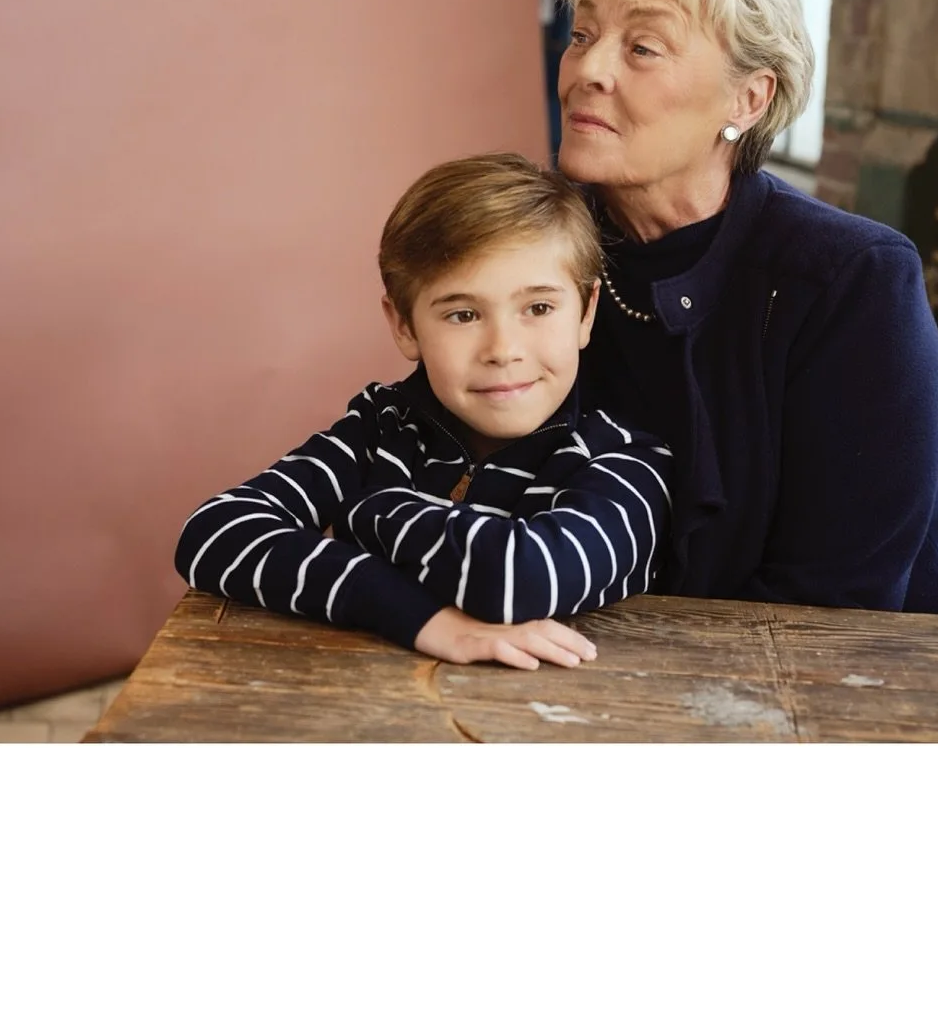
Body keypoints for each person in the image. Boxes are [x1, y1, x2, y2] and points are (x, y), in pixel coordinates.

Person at [556, 0, 938, 614]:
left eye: (642, 48)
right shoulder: (538, 249)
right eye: (581, 33)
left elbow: (835, 601)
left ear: (748, 99)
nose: (586, 69)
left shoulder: (851, 281)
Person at [174, 154, 674, 669]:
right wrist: (424, 620)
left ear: (586, 313)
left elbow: (521, 580)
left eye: (539, 308)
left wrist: (369, 511)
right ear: (405, 327)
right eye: (463, 314)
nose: (503, 349)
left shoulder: (622, 459)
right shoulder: (380, 424)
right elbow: (214, 532)